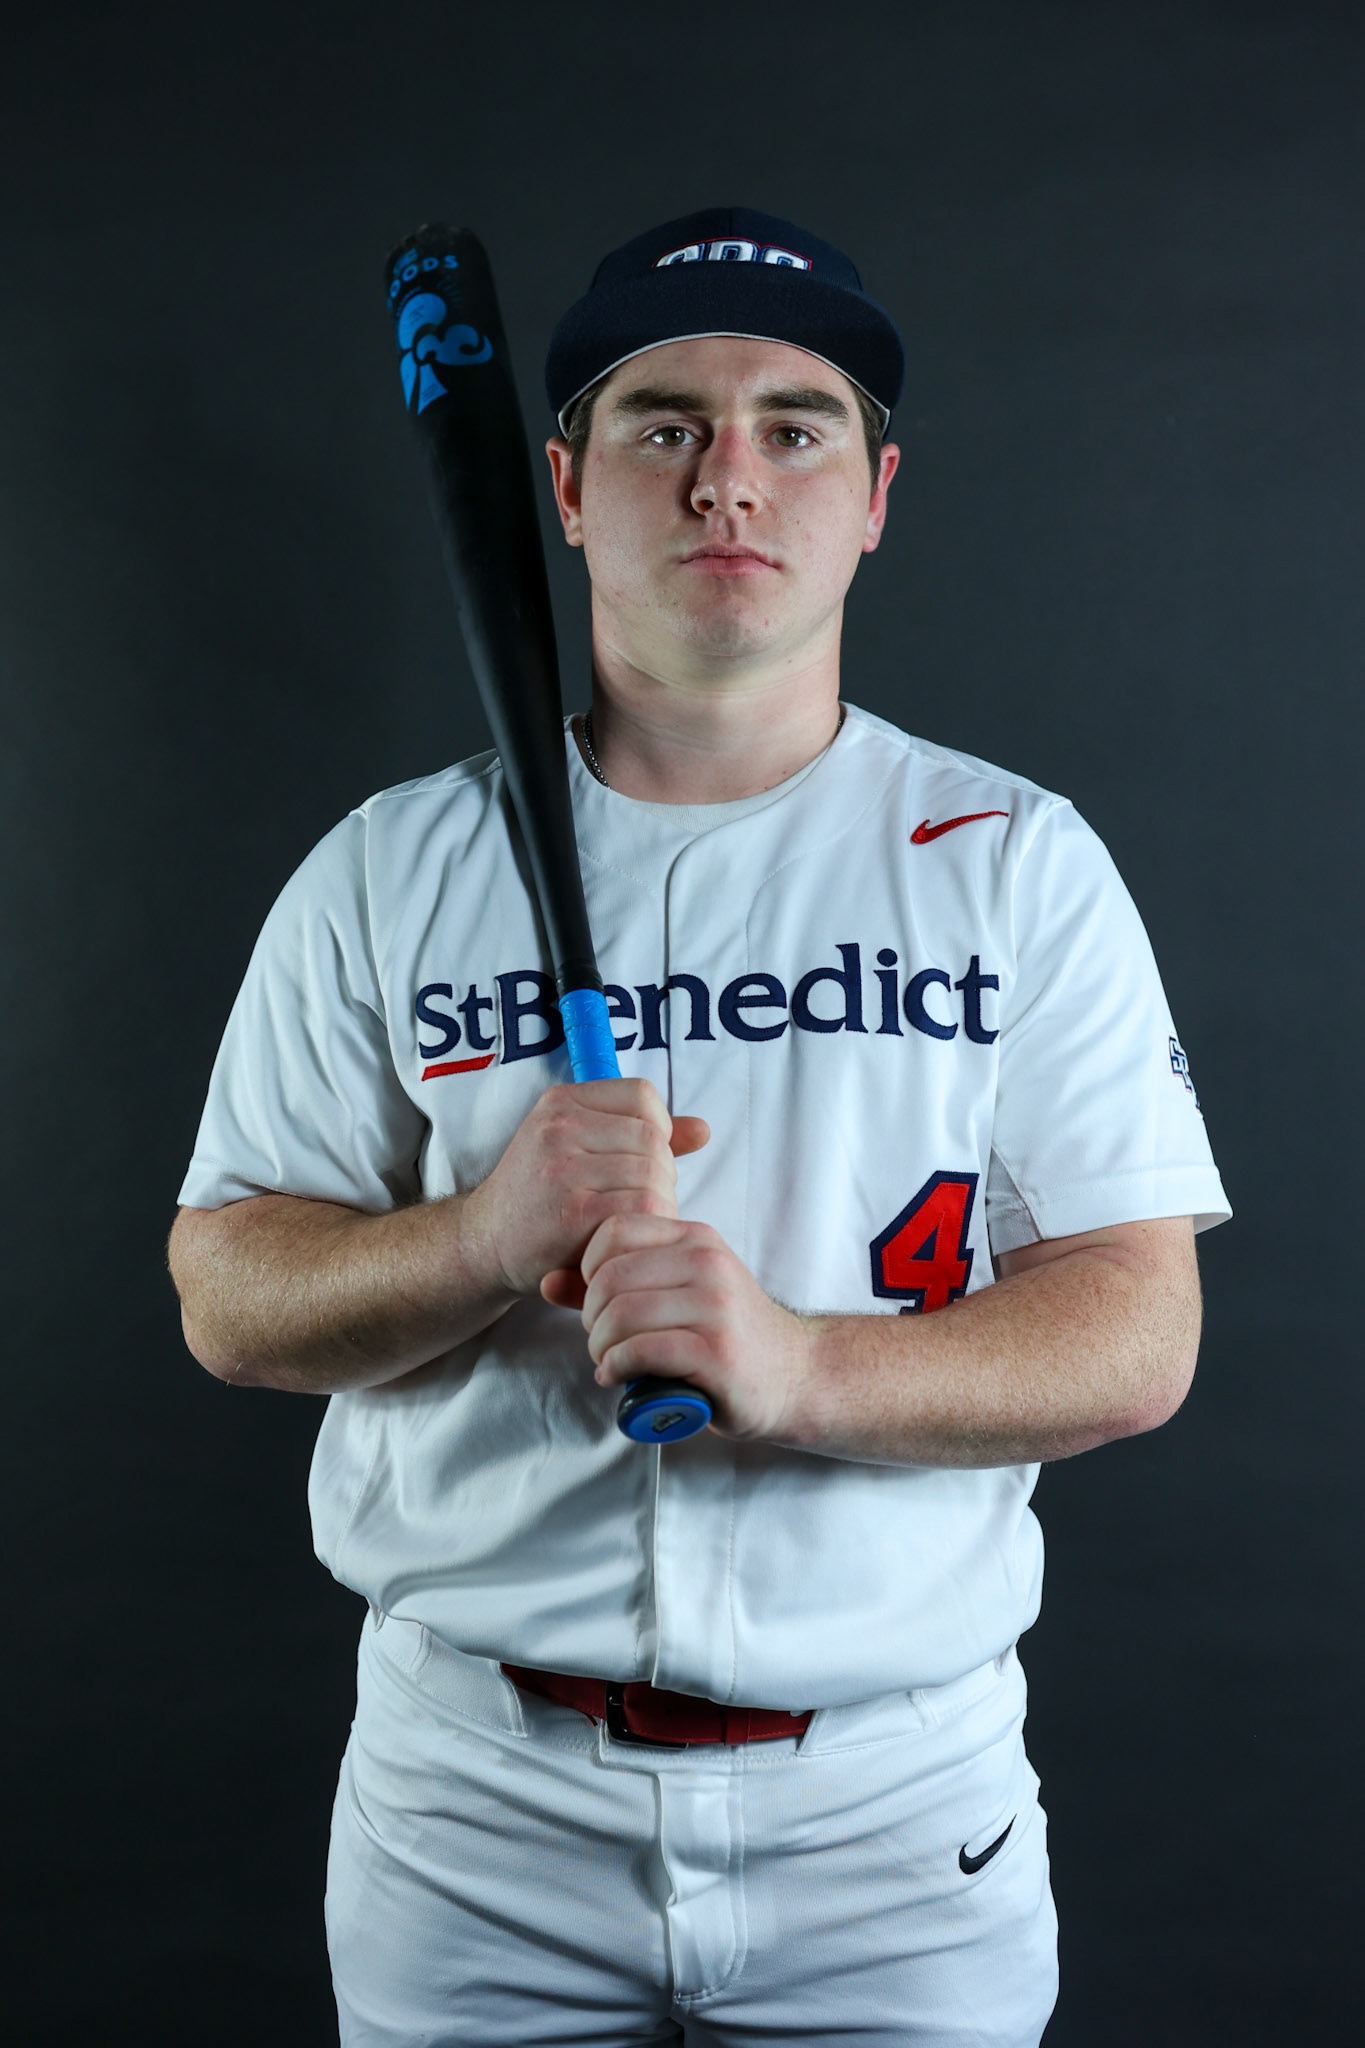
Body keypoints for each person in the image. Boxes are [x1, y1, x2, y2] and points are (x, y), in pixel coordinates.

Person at [167, 206, 1231, 2047]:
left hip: (896, 1820)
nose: (728, 477)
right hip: (473, 1807)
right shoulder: (385, 871)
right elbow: (227, 1299)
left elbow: (1137, 1329)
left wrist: (799, 1368)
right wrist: (484, 1239)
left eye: (790, 426)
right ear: (564, 487)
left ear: (873, 492)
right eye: (663, 425)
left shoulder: (1014, 866)